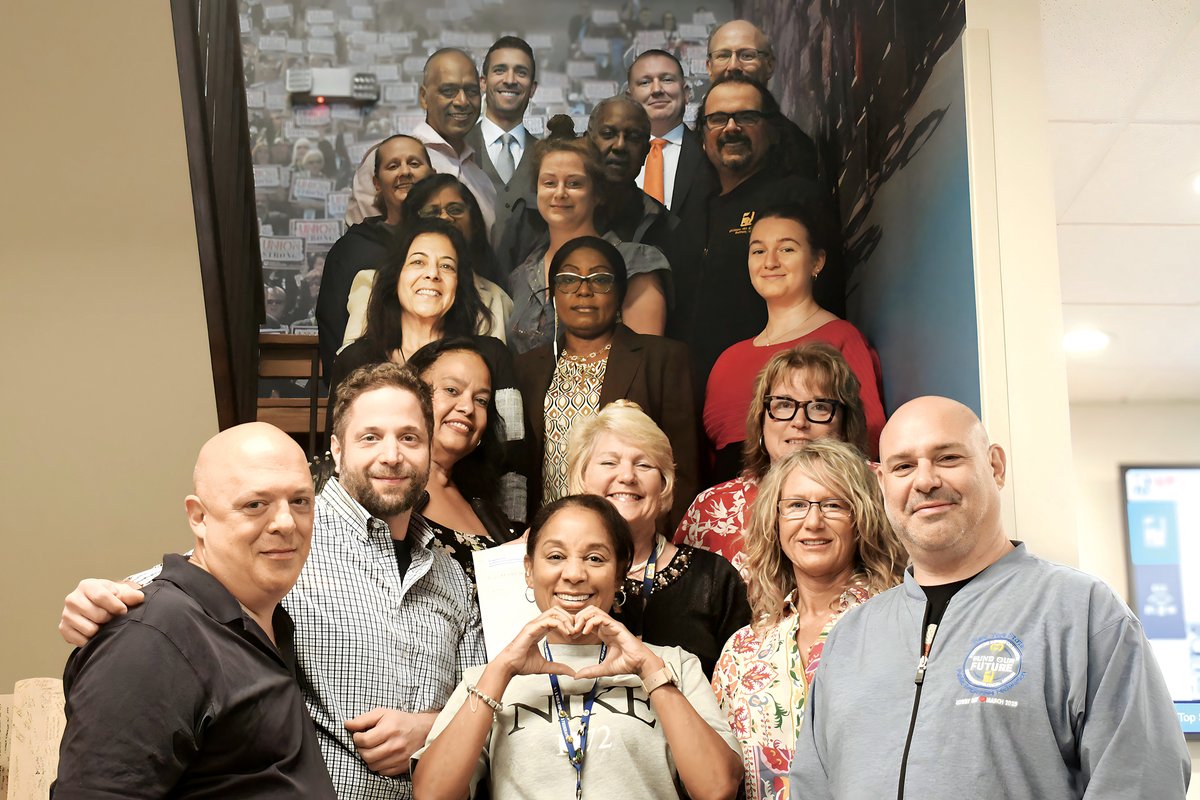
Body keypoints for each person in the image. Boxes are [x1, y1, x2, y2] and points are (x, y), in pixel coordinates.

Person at [58, 363, 486, 799]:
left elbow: (483, 698)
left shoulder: (453, 576)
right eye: (371, 436)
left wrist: (432, 727)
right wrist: (102, 598)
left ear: (430, 450)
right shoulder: (291, 542)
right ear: (337, 450)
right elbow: (187, 587)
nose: (392, 455)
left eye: (409, 437)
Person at [789, 396, 1192, 799]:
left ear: (995, 466)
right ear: (883, 484)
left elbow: (1141, 780)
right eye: (904, 466)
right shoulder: (850, 637)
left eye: (947, 458)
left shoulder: (1082, 612)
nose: (925, 481)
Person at [54, 424, 337, 798]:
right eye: (256, 504)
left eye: (300, 501)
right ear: (199, 518)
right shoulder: (153, 635)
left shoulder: (263, 624)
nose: (286, 522)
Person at [410, 494, 743, 800]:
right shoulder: (485, 678)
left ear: (618, 575)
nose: (573, 573)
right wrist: (501, 670)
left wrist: (648, 669)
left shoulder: (673, 664)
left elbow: (717, 788)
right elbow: (432, 794)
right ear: (529, 570)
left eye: (595, 558)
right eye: (555, 556)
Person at [711, 440, 906, 800]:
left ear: (861, 519)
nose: (812, 521)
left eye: (832, 505)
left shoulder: (902, 624)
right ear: (776, 520)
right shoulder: (741, 651)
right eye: (797, 505)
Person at [514, 235, 695, 518]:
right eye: (568, 279)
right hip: (551, 534)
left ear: (620, 293)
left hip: (631, 535)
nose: (583, 290)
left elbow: (683, 467)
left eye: (599, 279)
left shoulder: (661, 358)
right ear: (554, 294)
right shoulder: (526, 369)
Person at [568, 401, 749, 677]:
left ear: (664, 484)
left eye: (644, 464)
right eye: (609, 462)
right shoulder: (555, 576)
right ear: (582, 476)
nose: (627, 476)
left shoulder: (714, 580)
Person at [704, 202, 886, 475]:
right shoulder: (727, 360)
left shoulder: (840, 338)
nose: (770, 261)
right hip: (732, 512)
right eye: (758, 250)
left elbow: (868, 443)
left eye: (787, 248)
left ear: (817, 261)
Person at [675, 343, 868, 577]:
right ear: (761, 420)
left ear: (846, 424)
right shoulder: (712, 508)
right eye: (784, 405)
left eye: (819, 406)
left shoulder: (879, 489)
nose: (799, 422)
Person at [683, 76, 824, 385]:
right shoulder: (694, 211)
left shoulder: (795, 199)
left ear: (772, 131)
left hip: (774, 386)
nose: (731, 128)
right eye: (718, 119)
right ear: (703, 137)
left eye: (747, 117)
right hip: (699, 390)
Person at [504, 121, 669, 354]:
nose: (560, 193)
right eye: (549, 182)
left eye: (574, 183)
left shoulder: (633, 263)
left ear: (597, 193)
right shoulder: (522, 275)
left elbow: (645, 362)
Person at [340, 175, 513, 348]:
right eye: (432, 212)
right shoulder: (371, 285)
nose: (445, 218)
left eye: (455, 209)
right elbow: (351, 364)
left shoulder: (497, 298)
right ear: (412, 224)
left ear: (474, 221)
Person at [407, 337, 520, 594]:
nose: (468, 407)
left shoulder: (483, 507)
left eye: (481, 400)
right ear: (411, 393)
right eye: (452, 390)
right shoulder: (386, 494)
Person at [317, 134, 435, 375]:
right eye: (393, 166)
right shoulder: (350, 250)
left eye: (414, 163)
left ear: (431, 175)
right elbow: (334, 337)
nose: (404, 172)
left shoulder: (451, 244)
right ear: (377, 183)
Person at [346, 49, 497, 234]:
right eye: (448, 91)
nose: (462, 101)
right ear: (424, 97)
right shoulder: (386, 161)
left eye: (472, 91)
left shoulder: (482, 181)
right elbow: (365, 247)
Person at [705, 20, 818, 180]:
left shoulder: (795, 148)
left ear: (770, 65)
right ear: (709, 67)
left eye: (747, 55)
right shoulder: (690, 146)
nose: (733, 65)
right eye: (723, 55)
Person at [626, 49, 717, 219]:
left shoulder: (711, 154)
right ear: (630, 99)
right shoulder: (612, 157)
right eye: (645, 82)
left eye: (667, 79)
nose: (657, 89)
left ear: (686, 93)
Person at [465, 36, 539, 242]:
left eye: (521, 72)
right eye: (500, 70)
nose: (509, 79)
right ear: (483, 82)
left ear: (533, 88)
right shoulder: (455, 149)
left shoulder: (549, 156)